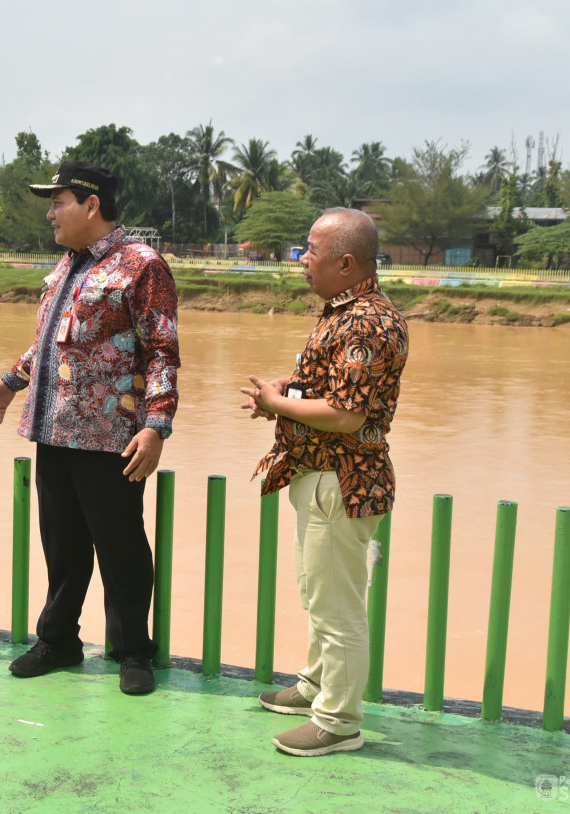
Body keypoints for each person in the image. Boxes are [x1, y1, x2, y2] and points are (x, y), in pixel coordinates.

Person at [0, 161, 180, 695]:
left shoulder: (142, 265)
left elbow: (162, 349)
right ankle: (59, 641)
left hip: (111, 437)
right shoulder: (67, 266)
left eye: (58, 201)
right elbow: (50, 342)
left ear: (91, 205)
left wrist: (156, 425)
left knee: (121, 549)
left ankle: (133, 651)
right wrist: (10, 381)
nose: (50, 213)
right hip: (53, 428)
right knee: (62, 548)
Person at [240, 208, 408, 756]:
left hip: (342, 481)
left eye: (310, 250)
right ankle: (315, 686)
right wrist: (285, 392)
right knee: (321, 594)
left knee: (338, 610)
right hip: (324, 478)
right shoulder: (344, 312)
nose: (301, 259)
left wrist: (277, 402)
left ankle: (337, 722)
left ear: (347, 262)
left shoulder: (364, 322)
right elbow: (328, 384)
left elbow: (345, 413)